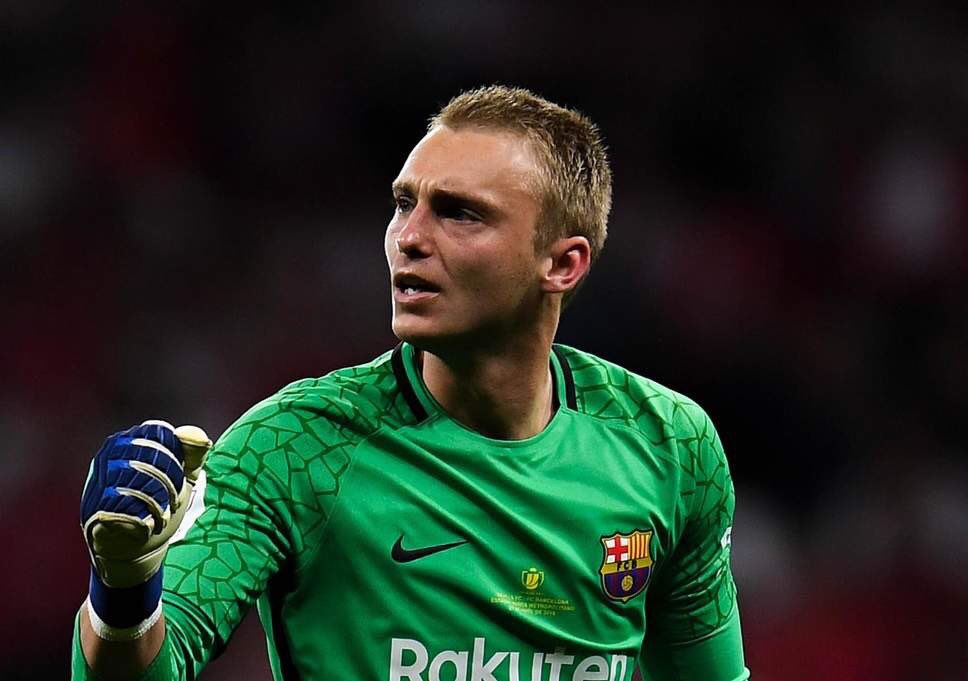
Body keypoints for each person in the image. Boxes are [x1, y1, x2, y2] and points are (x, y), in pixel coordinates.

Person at [73, 85, 749, 681]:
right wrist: (125, 587)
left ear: (562, 264)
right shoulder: (294, 446)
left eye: (459, 213)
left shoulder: (669, 446)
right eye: (404, 204)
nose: (408, 237)